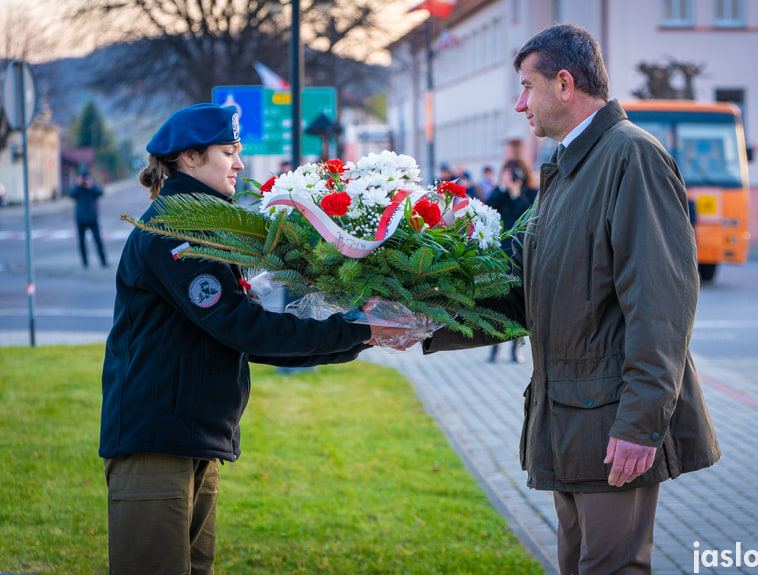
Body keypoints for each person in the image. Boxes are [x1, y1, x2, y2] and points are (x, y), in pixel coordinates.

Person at [423, 24, 720, 575]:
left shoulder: (632, 157)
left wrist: (640, 424)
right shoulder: (566, 166)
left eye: (526, 87)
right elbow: (524, 295)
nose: (519, 104)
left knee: (612, 568)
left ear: (564, 84)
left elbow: (661, 305)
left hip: (613, 426)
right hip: (569, 421)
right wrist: (422, 322)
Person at [99, 103, 409, 575]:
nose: (240, 164)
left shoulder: (204, 225)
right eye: (229, 152)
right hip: (157, 444)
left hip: (190, 437)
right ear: (189, 157)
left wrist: (360, 336)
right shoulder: (174, 230)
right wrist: (358, 331)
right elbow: (244, 327)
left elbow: (245, 336)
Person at [485, 159, 535, 364]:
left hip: (520, 254)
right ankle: (493, 346)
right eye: (508, 173)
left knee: (518, 303)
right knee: (496, 302)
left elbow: (530, 215)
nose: (511, 177)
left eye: (515, 173)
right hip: (499, 254)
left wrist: (516, 193)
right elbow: (488, 211)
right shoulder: (498, 194)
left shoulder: (529, 194)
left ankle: (516, 348)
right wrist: (504, 190)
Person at [69, 167, 108, 268]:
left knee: (98, 240)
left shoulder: (92, 187)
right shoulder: (78, 188)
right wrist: (78, 185)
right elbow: (71, 195)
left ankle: (103, 261)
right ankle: (85, 262)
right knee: (82, 242)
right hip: (80, 219)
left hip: (92, 218)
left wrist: (91, 185)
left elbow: (100, 193)